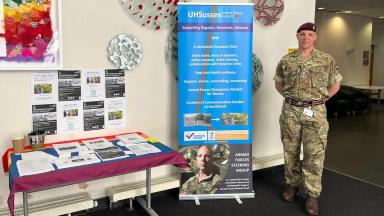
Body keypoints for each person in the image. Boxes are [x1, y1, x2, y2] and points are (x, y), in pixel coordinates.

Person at [274, 22, 342, 216]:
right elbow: (279, 83)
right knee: (290, 151)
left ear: (315, 37)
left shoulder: (326, 60)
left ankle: (312, 195)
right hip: (290, 112)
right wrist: (293, 100)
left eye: (309, 34)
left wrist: (319, 101)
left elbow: (335, 85)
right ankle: (291, 186)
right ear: (297, 36)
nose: (305, 38)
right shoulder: (287, 60)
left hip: (315, 113)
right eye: (302, 34)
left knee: (314, 154)